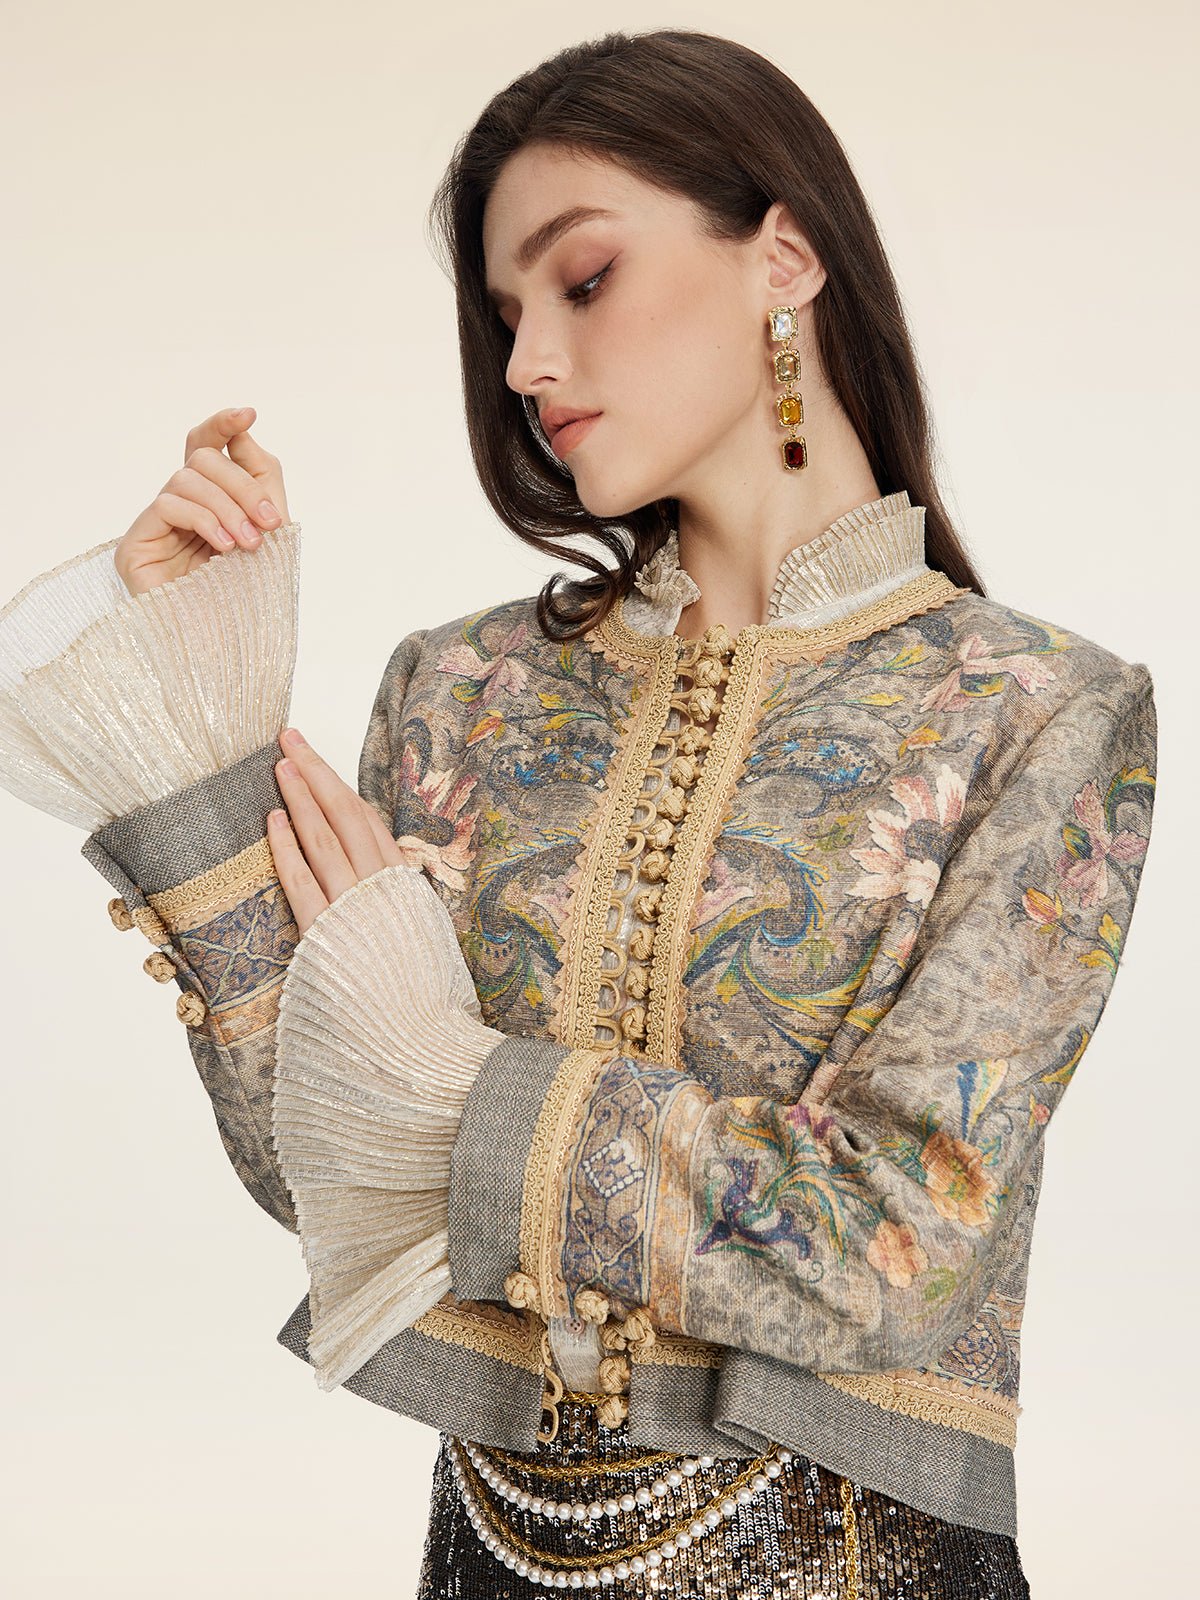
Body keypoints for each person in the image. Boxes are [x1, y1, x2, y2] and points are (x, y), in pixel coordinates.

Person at [0, 28, 1158, 1600]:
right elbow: (318, 1161)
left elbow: (894, 1239)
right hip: (483, 1561)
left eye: (584, 281)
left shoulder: (1035, 710)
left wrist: (453, 1080)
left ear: (786, 261)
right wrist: (193, 681)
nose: (529, 360)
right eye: (506, 315)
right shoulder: (462, 694)